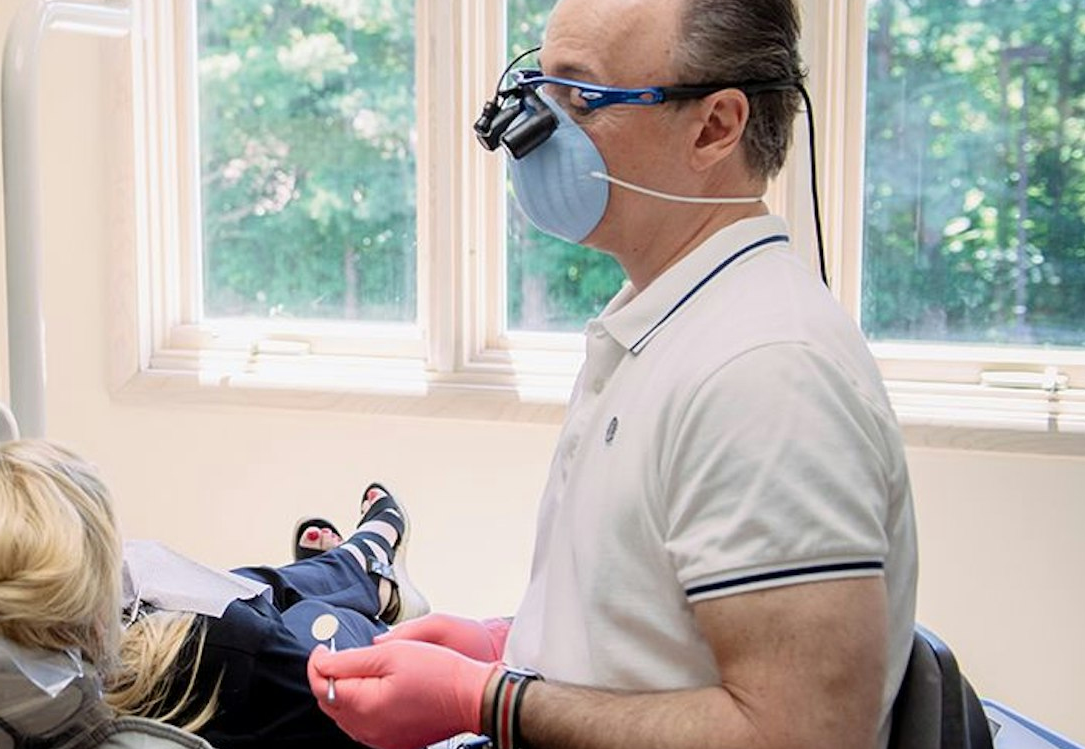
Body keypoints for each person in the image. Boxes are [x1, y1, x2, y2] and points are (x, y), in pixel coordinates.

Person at [306, 1, 919, 748]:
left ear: (715, 126)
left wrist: (486, 698)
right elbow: (654, 632)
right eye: (541, 86)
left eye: (583, 97)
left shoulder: (765, 373)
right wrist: (502, 642)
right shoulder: (669, 321)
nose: (534, 127)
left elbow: (800, 733)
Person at [0, 440, 428, 749]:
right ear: (99, 606)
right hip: (279, 646)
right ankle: (366, 569)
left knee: (253, 583)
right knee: (312, 615)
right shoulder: (216, 659)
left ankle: (353, 561)